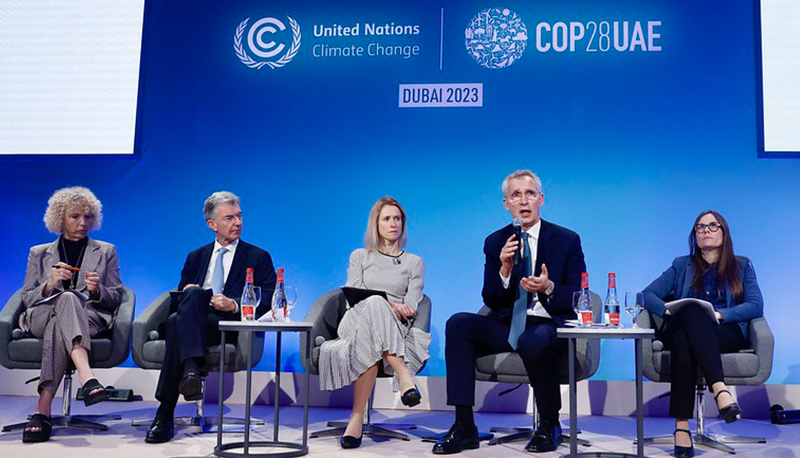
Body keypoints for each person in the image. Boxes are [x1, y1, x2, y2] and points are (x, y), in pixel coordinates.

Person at [433, 170, 586, 454]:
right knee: (458, 324)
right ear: (506, 204)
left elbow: (579, 295)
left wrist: (548, 286)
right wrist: (503, 270)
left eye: (530, 194)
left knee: (533, 339)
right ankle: (464, 425)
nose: (523, 201)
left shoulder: (567, 239)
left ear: (541, 199)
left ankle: (550, 423)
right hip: (508, 324)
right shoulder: (495, 242)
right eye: (516, 195)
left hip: (549, 323)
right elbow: (490, 298)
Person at [145, 191, 276, 443]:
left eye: (239, 216)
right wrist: (189, 294)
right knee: (189, 299)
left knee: (175, 323)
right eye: (229, 218)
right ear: (212, 224)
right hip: (195, 319)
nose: (237, 223)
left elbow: (270, 299)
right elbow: (179, 299)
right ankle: (190, 372)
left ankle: (165, 413)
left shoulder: (257, 257)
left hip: (227, 325)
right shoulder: (196, 256)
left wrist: (234, 305)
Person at [643, 210, 763, 458]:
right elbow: (647, 295)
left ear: (724, 232)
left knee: (684, 334)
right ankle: (720, 391)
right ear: (694, 236)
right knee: (690, 313)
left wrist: (720, 315)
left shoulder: (741, 266)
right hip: (682, 326)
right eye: (700, 227)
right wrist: (666, 311)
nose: (705, 231)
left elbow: (755, 305)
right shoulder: (681, 265)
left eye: (712, 226)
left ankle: (681, 427)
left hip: (723, 332)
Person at [318, 196, 430, 449]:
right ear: (376, 224)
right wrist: (389, 303)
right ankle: (404, 377)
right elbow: (354, 295)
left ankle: (355, 420)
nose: (393, 224)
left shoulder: (414, 262)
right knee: (374, 303)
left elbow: (411, 304)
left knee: (370, 338)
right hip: (354, 321)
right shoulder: (360, 256)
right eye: (387, 219)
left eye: (398, 219)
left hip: (391, 328)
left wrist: (394, 307)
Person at [18, 187, 124, 443]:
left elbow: (117, 296)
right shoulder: (39, 253)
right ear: (60, 219)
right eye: (75, 216)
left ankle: (42, 410)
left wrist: (97, 290)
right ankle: (87, 378)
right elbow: (27, 297)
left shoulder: (106, 250)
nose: (83, 223)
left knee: (62, 319)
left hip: (88, 316)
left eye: (88, 217)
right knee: (64, 298)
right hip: (41, 315)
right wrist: (50, 284)